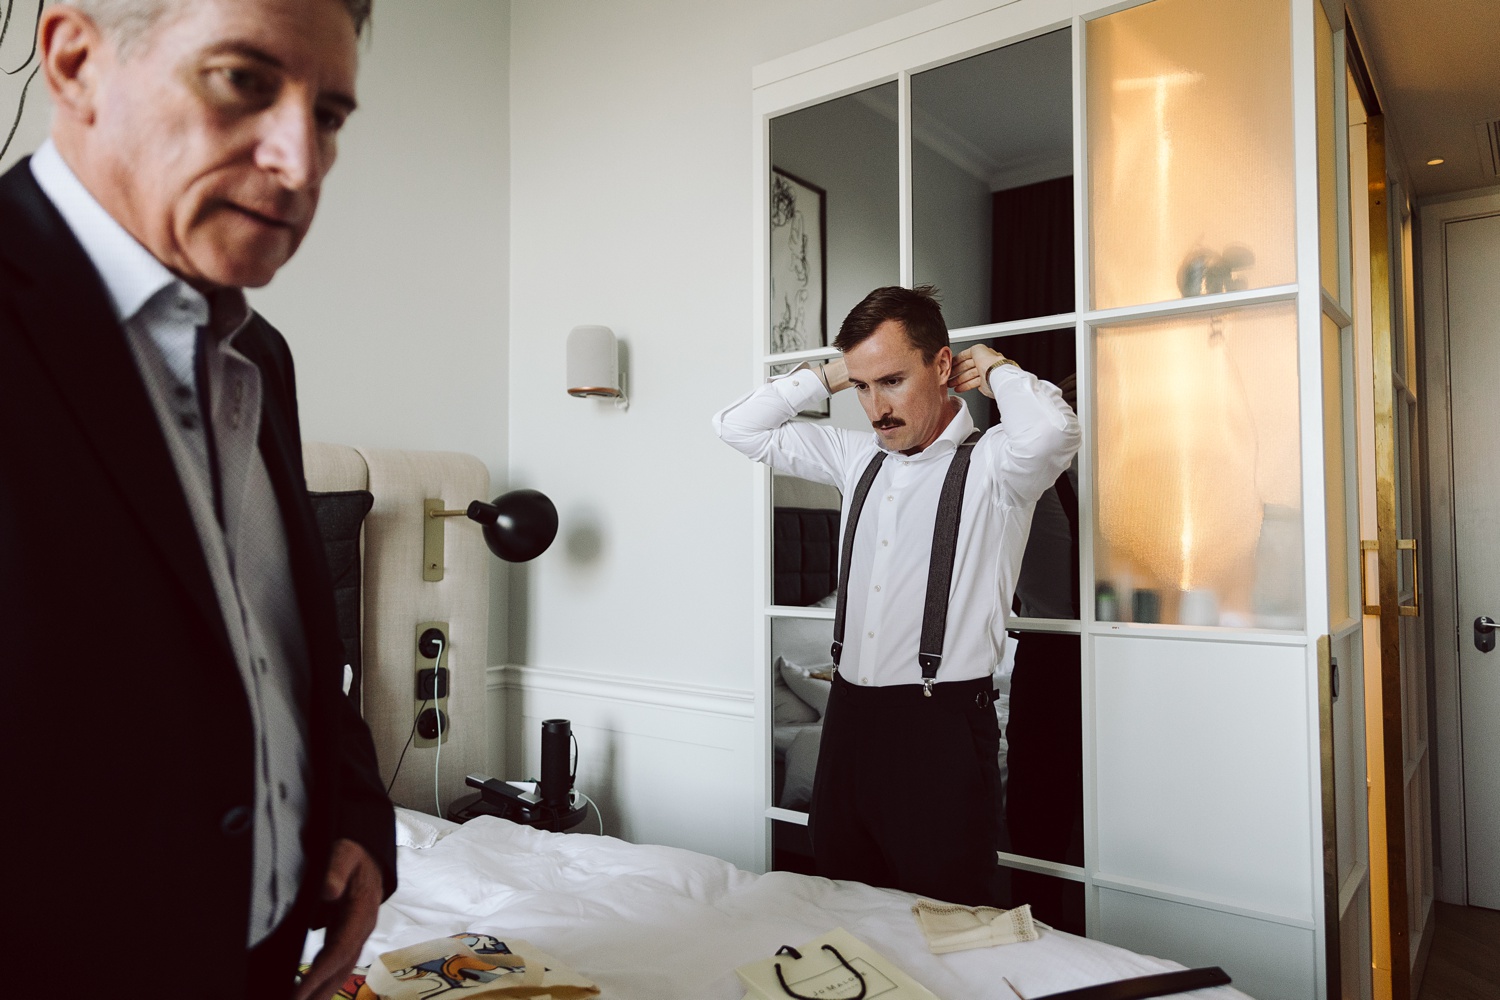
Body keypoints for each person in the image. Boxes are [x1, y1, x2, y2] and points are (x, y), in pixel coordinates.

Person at [0, 2, 394, 998]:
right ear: (76, 61)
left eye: (332, 115)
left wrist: (354, 819)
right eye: (243, 82)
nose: (302, 164)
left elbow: (283, 648)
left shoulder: (261, 358)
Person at [715, 285, 1079, 906]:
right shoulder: (856, 458)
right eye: (862, 387)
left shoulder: (998, 466)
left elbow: (1052, 430)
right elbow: (736, 427)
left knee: (945, 912)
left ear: (942, 367)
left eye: (891, 380)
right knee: (840, 901)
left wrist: (995, 367)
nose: (875, 407)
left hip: (939, 726)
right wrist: (830, 374)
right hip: (849, 720)